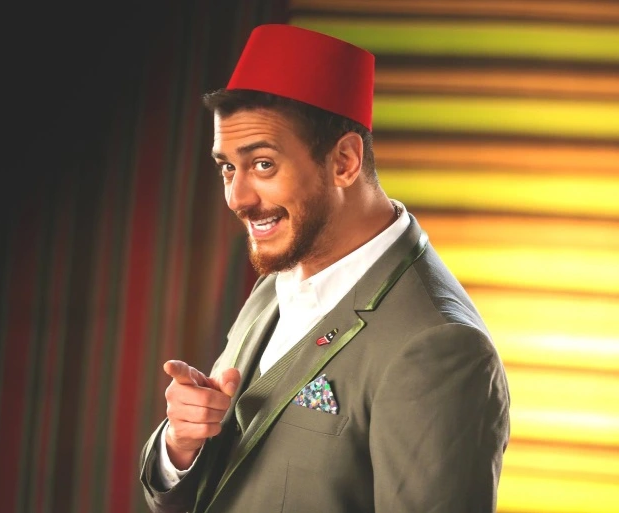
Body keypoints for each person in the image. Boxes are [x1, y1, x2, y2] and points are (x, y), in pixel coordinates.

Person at [140, 24, 510, 513]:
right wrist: (181, 445)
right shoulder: (278, 278)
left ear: (345, 161)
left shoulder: (440, 347)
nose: (237, 198)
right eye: (228, 167)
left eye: (263, 164)